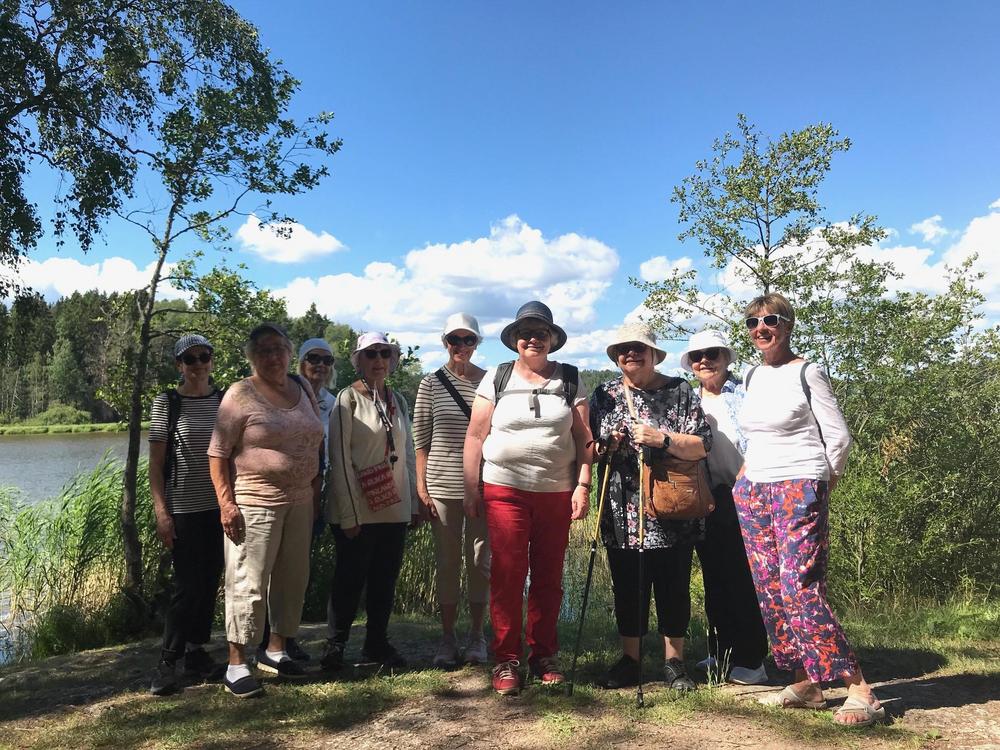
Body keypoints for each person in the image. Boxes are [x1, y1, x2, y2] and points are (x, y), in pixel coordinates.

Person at [734, 293, 884, 727]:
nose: (761, 328)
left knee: (799, 586)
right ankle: (805, 683)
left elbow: (838, 437)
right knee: (770, 588)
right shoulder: (750, 375)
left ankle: (860, 689)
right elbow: (753, 436)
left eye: (770, 320)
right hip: (755, 489)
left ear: (788, 325)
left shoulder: (808, 371)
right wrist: (744, 479)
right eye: (753, 322)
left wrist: (820, 484)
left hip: (799, 485)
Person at [463, 301, 593, 696]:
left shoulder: (570, 379)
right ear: (515, 340)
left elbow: (584, 439)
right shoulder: (497, 377)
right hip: (504, 488)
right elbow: (475, 435)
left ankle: (544, 655)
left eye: (540, 332)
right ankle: (507, 658)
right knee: (507, 574)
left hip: (555, 491)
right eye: (525, 333)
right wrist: (470, 488)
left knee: (549, 578)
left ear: (552, 338)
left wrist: (583, 485)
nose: (533, 338)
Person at [589, 322, 711, 693]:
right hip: (621, 509)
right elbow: (589, 450)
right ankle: (631, 659)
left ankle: (674, 662)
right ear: (615, 357)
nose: (630, 354)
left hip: (671, 505)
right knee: (628, 586)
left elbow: (702, 445)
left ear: (654, 354)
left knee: (673, 585)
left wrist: (662, 439)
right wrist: (606, 445)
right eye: (623, 349)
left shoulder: (679, 390)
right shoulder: (605, 394)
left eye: (639, 348)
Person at [208, 322, 325, 698]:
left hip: (300, 501)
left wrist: (314, 483)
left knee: (293, 579)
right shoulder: (240, 394)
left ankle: (276, 650)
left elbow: (315, 438)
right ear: (252, 357)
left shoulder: (303, 387)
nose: (273, 356)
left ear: (290, 353)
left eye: (279, 349)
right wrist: (226, 504)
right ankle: (237, 664)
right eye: (264, 350)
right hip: (255, 502)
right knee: (248, 581)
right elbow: (217, 453)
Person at [321, 332, 420, 671]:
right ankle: (335, 645)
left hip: (393, 507)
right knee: (349, 580)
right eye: (371, 354)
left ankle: (376, 643)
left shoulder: (398, 400)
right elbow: (339, 458)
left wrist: (412, 503)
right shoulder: (346, 399)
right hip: (358, 509)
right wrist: (349, 514)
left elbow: (407, 453)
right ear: (358, 361)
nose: (379, 360)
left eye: (385, 354)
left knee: (384, 580)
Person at [680, 329, 769, 685]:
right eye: (697, 356)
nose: (705, 361)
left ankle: (752, 659)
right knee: (715, 576)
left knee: (744, 579)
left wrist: (749, 476)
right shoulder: (689, 399)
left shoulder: (747, 392)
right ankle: (721, 651)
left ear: (726, 357)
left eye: (713, 353)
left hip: (749, 494)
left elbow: (765, 437)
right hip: (707, 497)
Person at [148, 334, 225, 696]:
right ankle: (167, 662)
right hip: (183, 509)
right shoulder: (168, 403)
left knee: (209, 582)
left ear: (211, 360)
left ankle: (196, 651)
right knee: (186, 586)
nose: (198, 364)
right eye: (189, 359)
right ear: (179, 365)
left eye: (203, 357)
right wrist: (161, 513)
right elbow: (155, 465)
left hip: (220, 508)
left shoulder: (224, 401)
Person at [412, 313, 490, 668]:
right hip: (441, 487)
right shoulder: (431, 384)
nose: (461, 346)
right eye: (454, 339)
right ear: (445, 343)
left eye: (468, 339)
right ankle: (447, 638)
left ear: (476, 343)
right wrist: (421, 487)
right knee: (447, 562)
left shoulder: (489, 382)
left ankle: (477, 635)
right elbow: (421, 441)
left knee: (480, 562)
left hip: (481, 487)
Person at [256, 337, 338, 662]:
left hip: (315, 493)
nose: (320, 365)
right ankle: (263, 641)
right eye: (313, 358)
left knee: (295, 571)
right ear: (300, 363)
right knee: (269, 569)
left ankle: (285, 639)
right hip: (277, 495)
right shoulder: (282, 395)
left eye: (327, 360)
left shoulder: (334, 403)